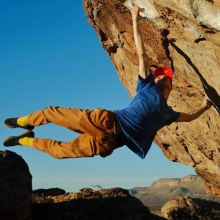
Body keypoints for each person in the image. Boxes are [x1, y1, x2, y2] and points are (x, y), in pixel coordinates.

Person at [3, 6, 212, 159]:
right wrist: (134, 19)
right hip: (104, 121)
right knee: (51, 112)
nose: (159, 76)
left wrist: (205, 106)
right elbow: (141, 54)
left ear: (170, 83)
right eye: (158, 74)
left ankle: (25, 140)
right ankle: (25, 121)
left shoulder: (168, 114)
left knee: (60, 152)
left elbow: (190, 117)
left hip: (109, 142)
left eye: (163, 75)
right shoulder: (146, 85)